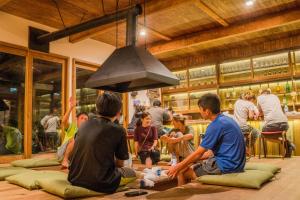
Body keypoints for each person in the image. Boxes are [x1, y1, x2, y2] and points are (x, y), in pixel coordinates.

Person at [167, 93, 246, 186]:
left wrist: (177, 166)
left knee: (181, 172)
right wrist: (188, 161)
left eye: (200, 109)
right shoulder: (227, 120)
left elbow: (199, 153)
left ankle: (181, 194)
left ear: (207, 111)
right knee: (188, 165)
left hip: (226, 166)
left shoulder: (215, 125)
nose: (200, 112)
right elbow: (209, 153)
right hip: (238, 165)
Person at [68, 92, 136, 194]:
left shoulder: (84, 125)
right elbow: (119, 164)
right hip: (101, 183)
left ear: (97, 108)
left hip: (74, 178)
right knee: (132, 172)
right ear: (118, 112)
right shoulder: (118, 129)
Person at [257, 89, 295, 157]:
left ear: (262, 93)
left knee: (263, 135)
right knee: (278, 134)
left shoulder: (259, 98)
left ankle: (287, 143)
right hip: (285, 124)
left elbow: (260, 112)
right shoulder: (275, 96)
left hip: (272, 124)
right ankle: (288, 146)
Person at [57, 97, 89, 168]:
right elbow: (64, 121)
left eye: (86, 119)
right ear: (77, 120)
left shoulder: (87, 131)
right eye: (82, 118)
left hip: (74, 157)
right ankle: (65, 160)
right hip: (62, 153)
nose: (84, 120)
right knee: (75, 138)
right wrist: (71, 107)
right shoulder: (73, 127)